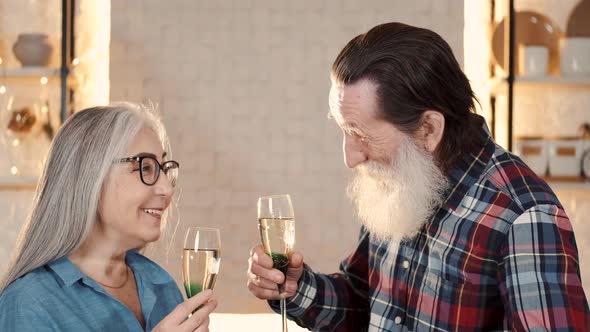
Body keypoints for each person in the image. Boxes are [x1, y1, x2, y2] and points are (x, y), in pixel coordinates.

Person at [247, 22, 590, 331]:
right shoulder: (401, 184)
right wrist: (297, 288)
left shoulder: (523, 216)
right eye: (344, 131)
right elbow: (365, 304)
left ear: (428, 128)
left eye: (361, 134)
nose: (350, 157)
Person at [0, 104, 216, 331]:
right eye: (146, 167)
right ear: (90, 176)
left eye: (163, 169)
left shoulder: (160, 284)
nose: (167, 189)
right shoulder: (28, 304)